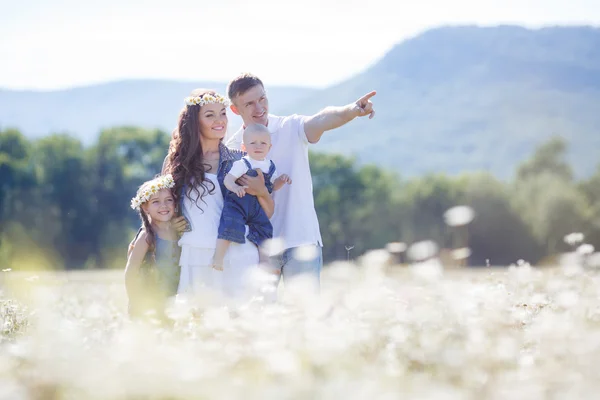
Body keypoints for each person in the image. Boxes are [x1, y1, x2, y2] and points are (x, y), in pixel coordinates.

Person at [225, 73, 376, 292]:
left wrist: (352, 110)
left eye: (262, 99)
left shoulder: (291, 127)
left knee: (306, 318)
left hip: (301, 241)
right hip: (256, 248)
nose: (259, 108)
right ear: (235, 110)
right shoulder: (232, 148)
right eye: (249, 104)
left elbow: (323, 118)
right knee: (259, 318)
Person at [161, 89, 274, 300]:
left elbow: (266, 212)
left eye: (222, 113)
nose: (219, 120)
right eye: (210, 115)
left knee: (241, 322)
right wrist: (170, 223)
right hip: (196, 251)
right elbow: (162, 207)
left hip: (238, 251)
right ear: (195, 121)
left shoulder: (241, 160)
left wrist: (261, 191)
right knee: (199, 322)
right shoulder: (177, 164)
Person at [212, 123, 292, 271]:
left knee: (265, 231)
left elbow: (272, 187)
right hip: (238, 203)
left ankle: (264, 264)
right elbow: (228, 180)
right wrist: (235, 187)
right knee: (230, 224)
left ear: (269, 147)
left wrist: (281, 180)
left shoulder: (270, 166)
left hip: (257, 208)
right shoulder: (243, 163)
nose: (258, 146)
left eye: (263, 143)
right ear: (244, 147)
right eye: (253, 143)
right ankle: (218, 257)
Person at [125, 174, 181, 320]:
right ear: (145, 207)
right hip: (150, 299)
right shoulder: (147, 236)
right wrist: (134, 301)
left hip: (174, 301)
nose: (164, 205)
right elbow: (131, 271)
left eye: (169, 200)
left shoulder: (178, 232)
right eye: (156, 202)